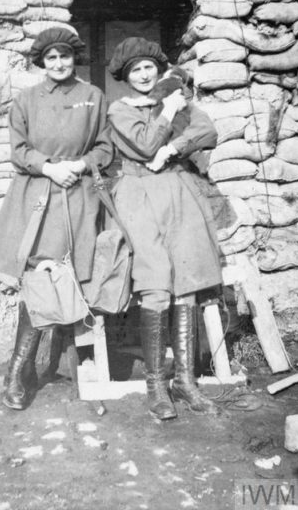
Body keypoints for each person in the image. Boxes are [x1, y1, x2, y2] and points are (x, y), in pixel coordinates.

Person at [0, 26, 113, 410]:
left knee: (76, 277)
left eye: (65, 56)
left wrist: (81, 163)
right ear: (42, 63)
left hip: (78, 196)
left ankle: (66, 368)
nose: (59, 63)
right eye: (51, 58)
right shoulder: (26, 100)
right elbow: (18, 149)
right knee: (40, 281)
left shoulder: (93, 97)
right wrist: (48, 168)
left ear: (75, 58)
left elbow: (106, 146)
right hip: (38, 196)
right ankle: (17, 375)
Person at [107, 37, 222, 421]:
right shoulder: (119, 109)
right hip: (138, 195)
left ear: (158, 69)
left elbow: (208, 132)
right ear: (125, 77)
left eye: (148, 67)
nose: (143, 74)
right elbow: (142, 146)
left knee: (186, 283)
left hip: (178, 189)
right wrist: (167, 115)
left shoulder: (174, 99)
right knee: (156, 282)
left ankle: (185, 382)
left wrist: (174, 149)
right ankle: (156, 384)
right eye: (134, 70)